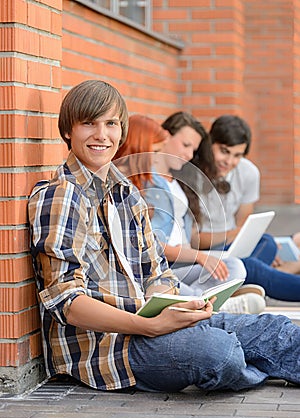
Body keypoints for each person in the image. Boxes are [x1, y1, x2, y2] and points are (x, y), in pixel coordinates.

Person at [28, 80, 300, 393]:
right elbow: (67, 302)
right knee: (219, 352)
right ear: (68, 131)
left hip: (155, 325)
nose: (101, 135)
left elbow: (156, 271)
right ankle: (258, 362)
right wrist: (147, 325)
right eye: (89, 123)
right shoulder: (62, 197)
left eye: (111, 124)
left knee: (275, 329)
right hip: (108, 349)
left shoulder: (127, 194)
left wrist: (178, 307)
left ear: (122, 130)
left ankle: (255, 359)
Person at [116, 112, 265, 314]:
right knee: (167, 284)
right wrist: (199, 255)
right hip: (159, 266)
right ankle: (212, 304)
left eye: (193, 149)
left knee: (236, 266)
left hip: (178, 261)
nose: (188, 155)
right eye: (185, 145)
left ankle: (206, 301)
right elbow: (146, 245)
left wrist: (201, 255)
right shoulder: (137, 184)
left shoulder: (172, 179)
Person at [188, 114, 300, 301]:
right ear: (210, 143)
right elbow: (193, 241)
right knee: (251, 266)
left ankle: (241, 288)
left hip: (231, 246)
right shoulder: (193, 175)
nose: (229, 161)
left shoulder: (248, 172)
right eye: (224, 151)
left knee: (267, 243)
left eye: (237, 155)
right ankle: (277, 272)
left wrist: (241, 234)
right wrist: (235, 233)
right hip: (202, 252)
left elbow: (244, 225)